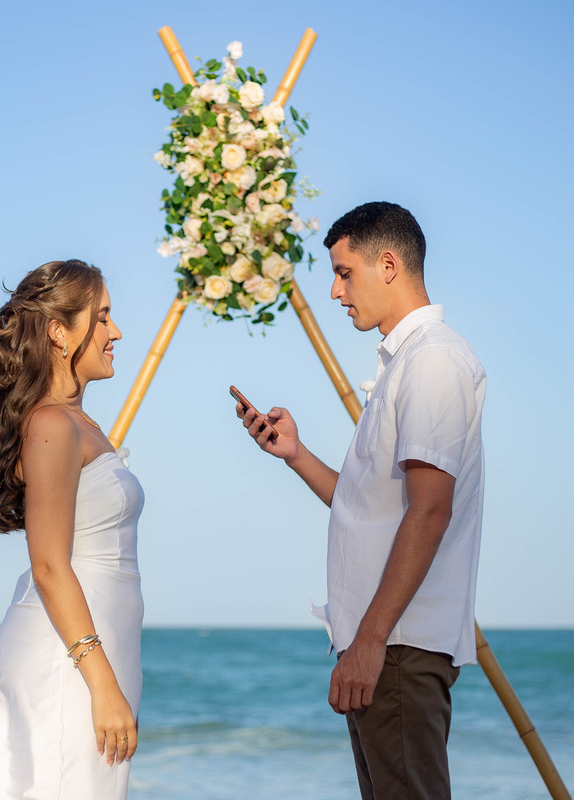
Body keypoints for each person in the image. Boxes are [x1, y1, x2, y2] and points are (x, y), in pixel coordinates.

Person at [235, 202, 486, 799]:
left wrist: (370, 642)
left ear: (390, 264)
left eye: (345, 272)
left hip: (398, 643)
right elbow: (368, 509)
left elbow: (430, 511)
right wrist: (295, 454)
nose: (335, 290)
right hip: (387, 643)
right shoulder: (406, 365)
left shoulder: (432, 362)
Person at [0, 259, 143, 800]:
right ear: (60, 333)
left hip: (95, 649)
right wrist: (101, 682)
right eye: (102, 318)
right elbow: (49, 564)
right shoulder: (52, 425)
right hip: (68, 660)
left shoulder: (79, 422)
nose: (116, 332)